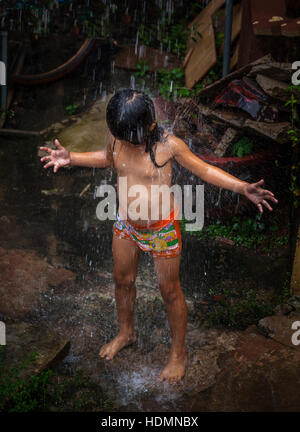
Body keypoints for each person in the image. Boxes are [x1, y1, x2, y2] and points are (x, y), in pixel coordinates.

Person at [40, 89, 278, 384]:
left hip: (161, 229)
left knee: (170, 291)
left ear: (150, 126)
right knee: (122, 280)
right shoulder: (120, 135)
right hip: (126, 223)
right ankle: (126, 332)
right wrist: (71, 157)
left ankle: (178, 354)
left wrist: (242, 187)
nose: (125, 143)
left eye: (131, 138)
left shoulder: (169, 147)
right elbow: (108, 158)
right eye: (121, 137)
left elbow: (204, 170)